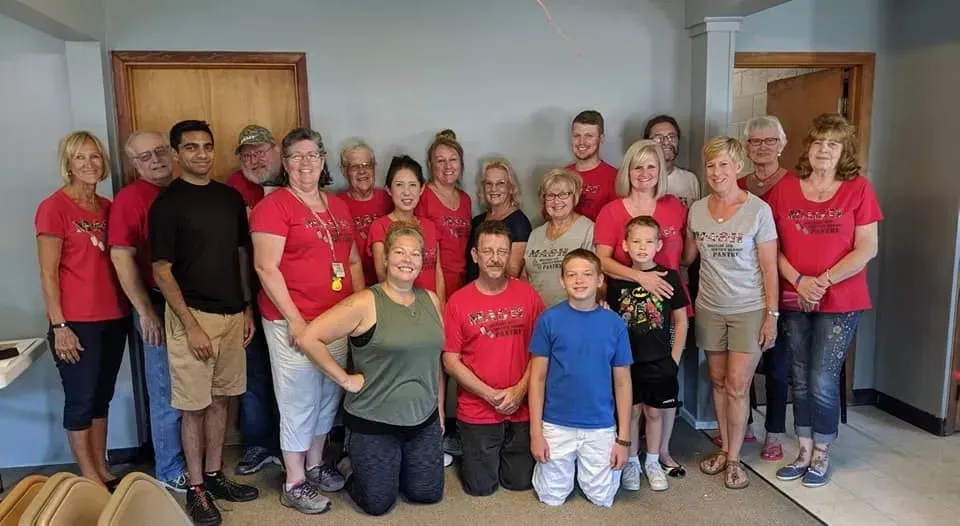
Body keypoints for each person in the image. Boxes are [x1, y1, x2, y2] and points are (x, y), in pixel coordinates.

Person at [149, 120, 259, 525]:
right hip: (191, 317)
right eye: (191, 147)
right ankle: (195, 488)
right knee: (192, 407)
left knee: (222, 399)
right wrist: (190, 325)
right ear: (176, 153)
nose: (201, 154)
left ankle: (214, 475)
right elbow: (162, 271)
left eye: (207, 146)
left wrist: (247, 306)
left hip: (232, 315)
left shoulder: (229, 199)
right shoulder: (168, 205)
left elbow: (241, 255)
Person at [296, 221, 446, 516]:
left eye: (415, 254)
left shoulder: (431, 299)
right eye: (400, 252)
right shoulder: (366, 301)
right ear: (386, 258)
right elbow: (309, 337)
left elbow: (434, 361)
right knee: (378, 503)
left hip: (422, 420)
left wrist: (439, 409)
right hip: (375, 421)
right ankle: (349, 460)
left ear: (422, 261)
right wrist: (345, 380)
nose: (407, 260)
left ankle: (396, 463)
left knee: (426, 494)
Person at [250, 128, 362, 514]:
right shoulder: (274, 206)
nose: (305, 163)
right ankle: (294, 480)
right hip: (293, 322)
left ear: (323, 160)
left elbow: (351, 262)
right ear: (285, 164)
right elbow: (266, 267)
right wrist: (296, 321)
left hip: (335, 321)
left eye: (312, 155)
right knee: (298, 398)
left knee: (328, 394)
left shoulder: (337, 206)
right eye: (296, 157)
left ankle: (315, 465)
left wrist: (360, 312)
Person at [766, 114, 882, 488]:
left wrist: (822, 281)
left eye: (833, 144)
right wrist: (799, 281)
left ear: (844, 150)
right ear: (809, 147)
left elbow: (867, 247)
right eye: (818, 142)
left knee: (821, 377)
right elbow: (772, 246)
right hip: (794, 294)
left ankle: (822, 454)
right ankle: (802, 450)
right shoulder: (785, 189)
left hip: (842, 299)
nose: (824, 150)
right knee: (798, 375)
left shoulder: (858, 189)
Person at [36, 131, 130, 491]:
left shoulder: (108, 207)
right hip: (75, 322)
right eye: (80, 158)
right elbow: (47, 272)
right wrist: (59, 324)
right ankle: (87, 474)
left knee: (102, 395)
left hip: (113, 316)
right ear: (68, 164)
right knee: (81, 399)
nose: (89, 164)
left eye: (94, 157)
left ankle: (102, 466)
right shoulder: (54, 207)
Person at [683, 136, 778, 490]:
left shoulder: (758, 210)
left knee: (738, 385)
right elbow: (687, 259)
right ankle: (725, 447)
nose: (716, 171)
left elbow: (770, 268)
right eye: (710, 165)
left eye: (724, 164)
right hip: (709, 306)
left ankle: (736, 460)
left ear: (738, 167)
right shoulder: (697, 209)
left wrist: (772, 314)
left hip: (748, 309)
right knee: (719, 382)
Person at [108, 130, 187, 491]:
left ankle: (196, 462)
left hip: (199, 304)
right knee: (166, 393)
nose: (155, 160)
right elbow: (121, 256)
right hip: (157, 305)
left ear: (172, 153)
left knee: (198, 392)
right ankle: (170, 470)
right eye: (145, 157)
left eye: (160, 152)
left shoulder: (187, 189)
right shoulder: (130, 199)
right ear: (133, 164)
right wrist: (145, 311)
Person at [443, 220, 545, 496]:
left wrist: (520, 390)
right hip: (478, 411)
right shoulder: (458, 302)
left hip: (522, 406)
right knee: (481, 488)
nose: (495, 258)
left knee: (520, 483)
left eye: (502, 251)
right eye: (488, 251)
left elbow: (541, 350)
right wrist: (490, 395)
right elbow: (450, 360)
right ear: (475, 255)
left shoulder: (528, 294)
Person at [529, 249, 633, 508]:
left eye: (587, 274)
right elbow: (537, 378)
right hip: (556, 424)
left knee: (602, 497)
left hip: (599, 425)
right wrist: (536, 434)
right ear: (562, 281)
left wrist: (623, 439)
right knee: (551, 498)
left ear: (599, 280)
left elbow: (622, 382)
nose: (579, 280)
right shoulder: (548, 320)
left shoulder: (614, 324)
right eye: (572, 275)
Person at [606, 216, 689, 492]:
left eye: (649, 241)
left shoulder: (670, 277)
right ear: (625, 246)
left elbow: (681, 321)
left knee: (655, 413)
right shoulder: (616, 282)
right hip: (627, 363)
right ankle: (631, 462)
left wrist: (674, 359)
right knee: (630, 413)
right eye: (636, 241)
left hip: (660, 361)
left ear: (659, 245)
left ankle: (652, 461)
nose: (642, 247)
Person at [224, 124, 284, 478]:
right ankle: (259, 443)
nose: (255, 159)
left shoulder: (296, 178)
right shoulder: (233, 188)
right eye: (247, 154)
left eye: (261, 151)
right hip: (248, 293)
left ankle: (295, 442)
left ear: (277, 151)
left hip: (290, 296)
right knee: (254, 370)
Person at [732, 115, 793, 461]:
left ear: (782, 145)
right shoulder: (737, 186)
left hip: (781, 289)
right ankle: (748, 427)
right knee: (744, 362)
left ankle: (773, 431)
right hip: (742, 291)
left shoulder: (794, 184)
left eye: (769, 141)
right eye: (754, 141)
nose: (762, 147)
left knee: (777, 364)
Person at [369, 155, 445, 300]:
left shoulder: (430, 226)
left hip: (430, 305)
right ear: (389, 190)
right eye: (399, 185)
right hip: (398, 305)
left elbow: (438, 271)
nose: (406, 192)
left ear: (421, 189)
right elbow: (382, 276)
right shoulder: (379, 227)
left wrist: (440, 306)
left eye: (412, 185)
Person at [523, 168, 594, 306]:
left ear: (575, 197)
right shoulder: (535, 234)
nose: (556, 201)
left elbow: (596, 280)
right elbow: (525, 276)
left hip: (575, 312)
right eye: (550, 195)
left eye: (563, 194)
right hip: (538, 314)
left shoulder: (588, 229)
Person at [415, 129, 472, 295]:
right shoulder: (422, 195)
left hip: (463, 281)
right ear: (430, 165)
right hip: (433, 281)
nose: (448, 166)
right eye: (440, 161)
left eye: (453, 159)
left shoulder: (466, 200)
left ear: (461, 163)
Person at [464, 157, 532, 282]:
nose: (493, 189)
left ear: (511, 188)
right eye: (488, 183)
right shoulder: (477, 221)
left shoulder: (519, 223)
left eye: (500, 183)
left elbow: (513, 272)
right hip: (472, 292)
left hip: (497, 294)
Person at [338, 139, 394, 286]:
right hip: (352, 285)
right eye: (355, 167)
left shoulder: (390, 198)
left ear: (374, 167)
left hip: (389, 283)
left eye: (366, 165)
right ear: (344, 171)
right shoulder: (335, 204)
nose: (362, 171)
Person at [566, 110, 618, 221]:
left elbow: (618, 221)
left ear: (601, 139)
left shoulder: (615, 177)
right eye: (577, 135)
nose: (581, 142)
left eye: (589, 136)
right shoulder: (562, 174)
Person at [644, 115, 701, 208]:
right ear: (646, 143)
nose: (666, 142)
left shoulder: (690, 179)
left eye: (672, 137)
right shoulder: (639, 179)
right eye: (658, 138)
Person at [226, 124, 283, 212]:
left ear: (277, 151)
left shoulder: (292, 176)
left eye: (260, 153)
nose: (254, 161)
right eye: (247, 155)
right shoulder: (235, 184)